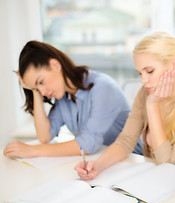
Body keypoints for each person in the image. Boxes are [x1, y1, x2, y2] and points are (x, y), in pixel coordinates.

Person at [75, 32, 175, 180]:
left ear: (174, 66)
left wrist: (152, 105)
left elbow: (167, 160)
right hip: (155, 179)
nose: (143, 80)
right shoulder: (146, 93)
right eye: (140, 73)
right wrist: (97, 166)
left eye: (149, 71)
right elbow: (126, 141)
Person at [3, 40, 142, 158]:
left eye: (41, 82)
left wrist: (31, 150)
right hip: (100, 162)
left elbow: (87, 145)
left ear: (55, 65)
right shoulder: (63, 97)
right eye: (37, 88)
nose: (43, 92)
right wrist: (34, 90)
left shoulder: (103, 88)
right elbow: (45, 136)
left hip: (134, 161)